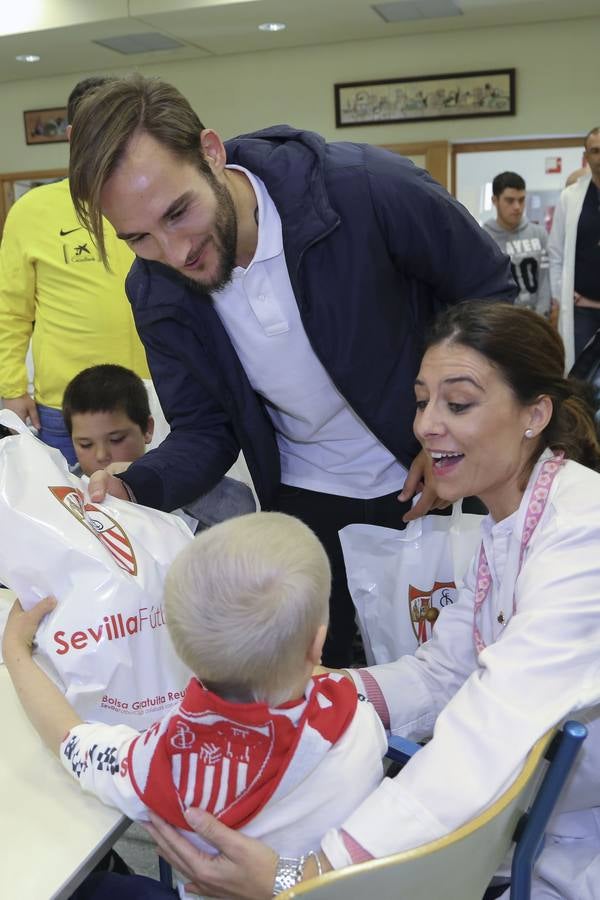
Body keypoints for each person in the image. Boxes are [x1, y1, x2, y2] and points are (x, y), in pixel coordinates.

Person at [119, 302, 600, 900]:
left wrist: (311, 875)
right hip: (534, 832)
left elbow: (492, 731)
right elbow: (444, 672)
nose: (426, 425)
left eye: (459, 403)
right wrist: (315, 690)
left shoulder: (582, 535)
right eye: (422, 401)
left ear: (535, 413)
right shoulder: (511, 521)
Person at [67, 73, 516, 666]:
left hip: (431, 479)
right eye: (139, 239)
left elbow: (491, 297)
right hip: (306, 500)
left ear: (211, 152)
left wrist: (453, 440)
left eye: (179, 213)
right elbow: (204, 430)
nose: (176, 253)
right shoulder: (157, 290)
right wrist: (132, 485)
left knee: (462, 664)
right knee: (322, 682)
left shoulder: (363, 191)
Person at [2, 512, 386, 894]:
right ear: (317, 645)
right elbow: (323, 680)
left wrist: (16, 650)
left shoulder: (158, 762)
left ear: (182, 653)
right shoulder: (360, 719)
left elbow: (69, 739)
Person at [0, 76, 150, 465]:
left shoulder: (150, 194)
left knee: (162, 511)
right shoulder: (33, 210)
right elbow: (11, 310)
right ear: (73, 135)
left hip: (156, 394)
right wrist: (13, 390)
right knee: (73, 515)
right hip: (67, 406)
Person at [63, 363, 256, 531]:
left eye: (117, 439)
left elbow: (242, 507)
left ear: (147, 429)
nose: (101, 455)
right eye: (85, 444)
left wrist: (133, 475)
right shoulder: (65, 487)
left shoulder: (174, 474)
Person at [549, 126, 600, 369]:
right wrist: (561, 294)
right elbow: (556, 252)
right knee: (580, 379)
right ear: (587, 155)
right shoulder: (570, 197)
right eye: (595, 151)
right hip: (582, 312)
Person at [483, 171, 551, 317]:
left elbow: (546, 279)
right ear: (495, 200)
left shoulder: (539, 234)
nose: (517, 207)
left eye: (521, 200)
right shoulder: (484, 238)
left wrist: (542, 315)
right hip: (502, 320)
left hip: (537, 317)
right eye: (510, 200)